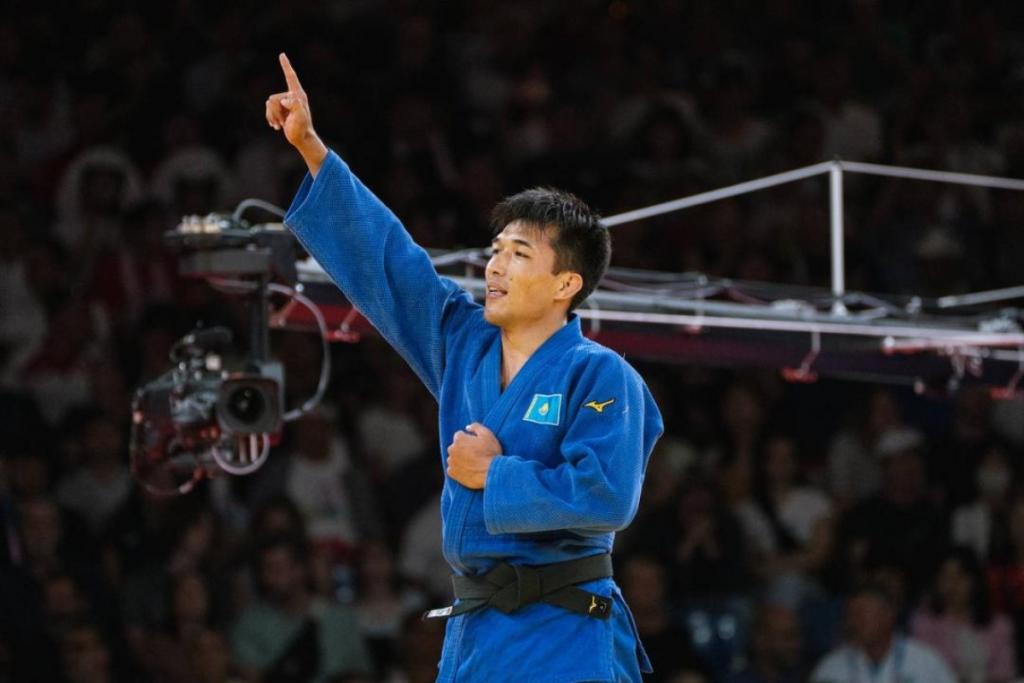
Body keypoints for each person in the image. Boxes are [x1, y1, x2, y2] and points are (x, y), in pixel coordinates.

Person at [266, 52, 663, 682]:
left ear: (566, 283)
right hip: (476, 630)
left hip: (563, 631)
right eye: (496, 250)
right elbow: (393, 265)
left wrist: (494, 474)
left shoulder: (601, 374)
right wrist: (313, 149)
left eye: (519, 254)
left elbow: (607, 494)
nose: (496, 266)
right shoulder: (463, 341)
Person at [810, 583, 956, 683]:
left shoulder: (925, 661)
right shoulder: (831, 667)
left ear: (889, 615)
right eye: (850, 615)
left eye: (861, 614)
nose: (853, 622)